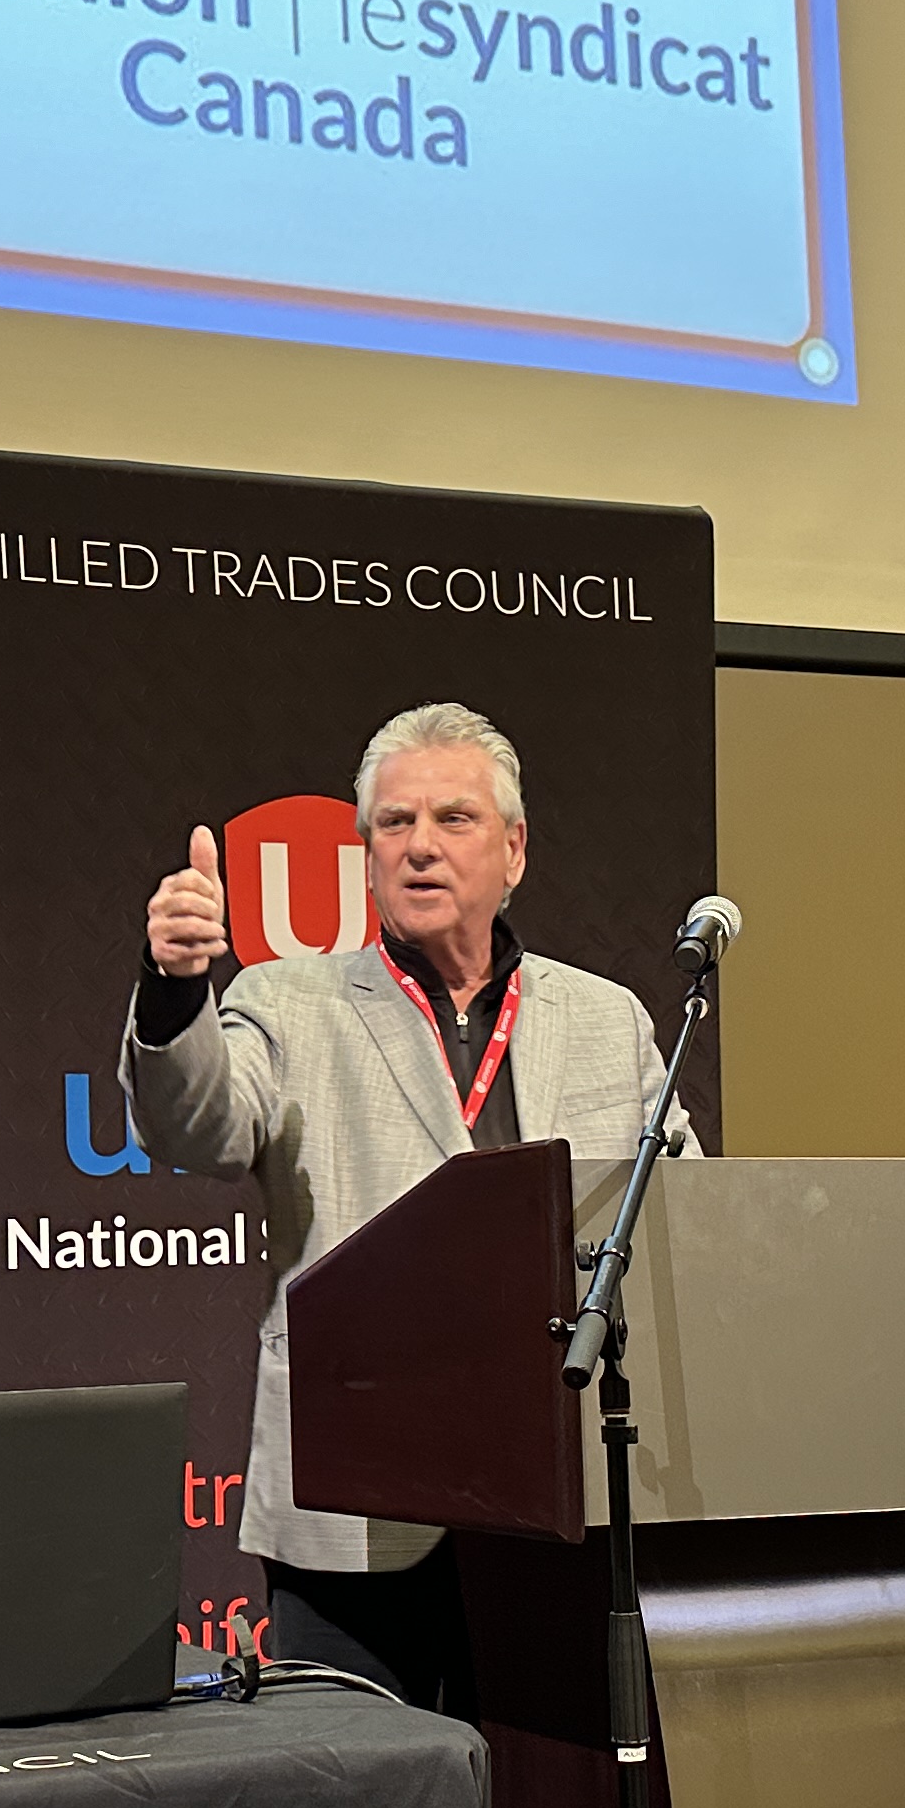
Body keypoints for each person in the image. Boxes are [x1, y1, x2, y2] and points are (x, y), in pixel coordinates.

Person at [125, 702, 688, 1712]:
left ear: (514, 850)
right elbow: (199, 1130)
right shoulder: (287, 1001)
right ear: (365, 851)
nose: (420, 846)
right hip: (359, 1502)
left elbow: (685, 1210)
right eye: (393, 824)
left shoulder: (606, 1018)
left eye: (454, 820)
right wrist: (175, 991)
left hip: (557, 1505)